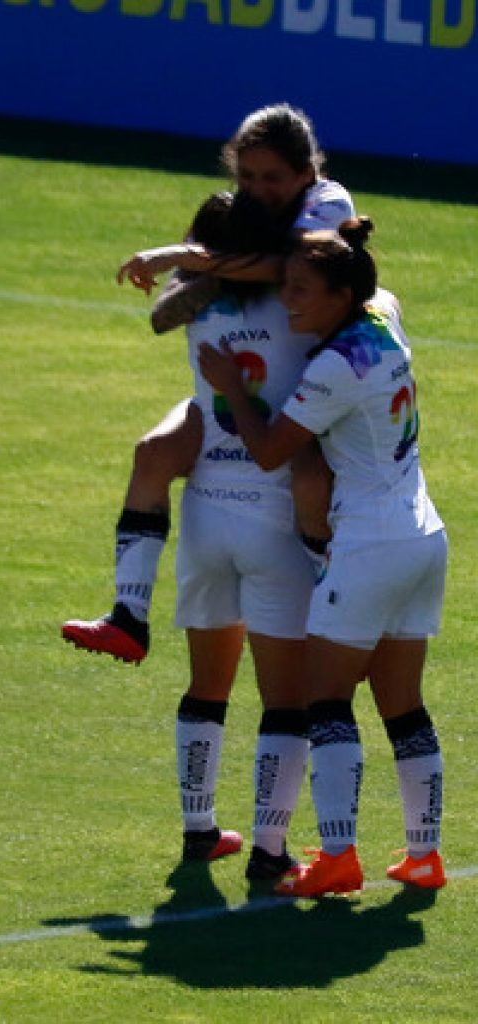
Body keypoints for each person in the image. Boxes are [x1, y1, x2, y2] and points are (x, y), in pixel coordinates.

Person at [198, 220, 447, 896]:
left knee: (323, 697)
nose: (289, 303)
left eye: (303, 291)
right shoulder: (381, 314)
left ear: (341, 294)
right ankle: (424, 855)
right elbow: (379, 286)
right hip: (423, 537)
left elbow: (273, 449)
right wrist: (332, 244)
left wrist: (231, 384)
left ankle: (337, 858)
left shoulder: (337, 366)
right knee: (402, 703)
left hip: (368, 546)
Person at [63, 103, 353, 665]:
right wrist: (203, 273)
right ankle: (128, 617)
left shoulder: (330, 202)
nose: (257, 189)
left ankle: (334, 600)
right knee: (153, 453)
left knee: (311, 482)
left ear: (306, 173)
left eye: (272, 178)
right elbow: (166, 310)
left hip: (309, 390)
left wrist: (193, 260)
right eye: (246, 176)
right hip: (230, 391)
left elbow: (288, 265)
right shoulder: (224, 214)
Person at [126, 192, 318, 878]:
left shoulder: (200, 309)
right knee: (285, 703)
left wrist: (188, 265)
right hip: (275, 524)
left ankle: (198, 831)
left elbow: (165, 309)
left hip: (206, 516)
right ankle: (270, 849)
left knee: (206, 688)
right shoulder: (298, 302)